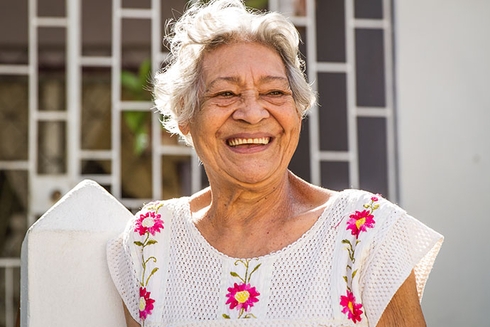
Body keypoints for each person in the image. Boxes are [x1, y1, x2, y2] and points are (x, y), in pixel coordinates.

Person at [107, 0, 443, 326]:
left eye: (274, 93)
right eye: (226, 94)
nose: (252, 114)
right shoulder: (150, 241)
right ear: (185, 117)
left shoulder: (365, 233)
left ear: (297, 112)